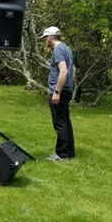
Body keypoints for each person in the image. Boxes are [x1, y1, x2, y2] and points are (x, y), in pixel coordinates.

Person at [40, 26, 75, 161]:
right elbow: (73, 70)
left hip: (60, 90)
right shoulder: (66, 48)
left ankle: (61, 154)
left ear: (49, 37)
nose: (45, 41)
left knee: (59, 123)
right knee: (65, 121)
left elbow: (64, 71)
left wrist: (57, 92)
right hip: (67, 89)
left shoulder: (58, 50)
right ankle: (69, 152)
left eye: (45, 38)